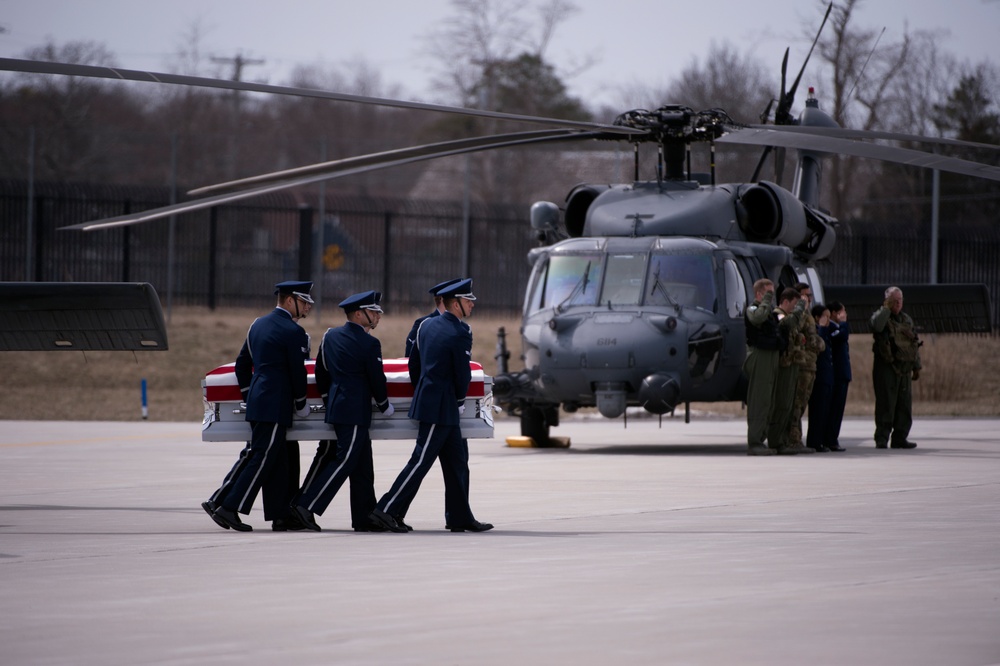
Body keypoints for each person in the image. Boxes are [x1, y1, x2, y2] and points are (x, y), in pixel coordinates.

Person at [369, 278, 493, 533]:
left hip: (432, 402)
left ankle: (460, 516)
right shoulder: (460, 331)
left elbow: (413, 364)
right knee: (420, 461)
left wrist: (425, 390)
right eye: (468, 301)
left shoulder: (425, 326)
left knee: (457, 462)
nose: (471, 305)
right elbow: (462, 374)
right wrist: (459, 400)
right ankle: (385, 509)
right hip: (442, 407)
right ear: (455, 304)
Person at [202, 280, 313, 531]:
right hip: (275, 405)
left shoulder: (257, 325)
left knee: (277, 458)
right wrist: (301, 402)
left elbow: (242, 364)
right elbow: (297, 373)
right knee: (263, 457)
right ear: (289, 301)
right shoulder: (293, 332)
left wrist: (248, 394)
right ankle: (228, 507)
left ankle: (280, 514)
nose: (307, 307)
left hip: (260, 401)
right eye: (304, 302)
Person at [291, 290, 394, 532]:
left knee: (362, 465)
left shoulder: (330, 336)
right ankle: (305, 506)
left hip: (338, 407)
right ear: (359, 314)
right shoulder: (369, 343)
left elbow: (321, 371)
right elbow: (376, 379)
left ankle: (365, 516)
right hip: (356, 411)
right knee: (346, 460)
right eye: (374, 312)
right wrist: (384, 404)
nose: (378, 316)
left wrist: (329, 399)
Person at [870, 286, 922, 449]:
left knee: (904, 405)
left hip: (904, 367)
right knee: (886, 403)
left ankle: (900, 437)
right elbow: (877, 326)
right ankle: (882, 438)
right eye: (894, 300)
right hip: (887, 367)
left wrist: (917, 366)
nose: (898, 303)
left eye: (900, 300)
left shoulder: (906, 320)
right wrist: (886, 308)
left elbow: (914, 343)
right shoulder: (881, 316)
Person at [743, 278, 782, 456]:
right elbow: (757, 318)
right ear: (759, 294)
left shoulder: (770, 312)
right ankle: (755, 441)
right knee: (759, 400)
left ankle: (763, 438)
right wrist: (765, 301)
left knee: (769, 400)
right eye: (768, 293)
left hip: (771, 356)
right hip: (760, 356)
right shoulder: (753, 309)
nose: (771, 297)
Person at [768, 287, 809, 455]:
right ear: (785, 301)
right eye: (793, 304)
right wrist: (800, 308)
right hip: (783, 366)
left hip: (792, 364)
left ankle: (783, 440)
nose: (795, 308)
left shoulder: (791, 315)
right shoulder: (778, 314)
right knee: (782, 404)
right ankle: (776, 440)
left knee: (790, 404)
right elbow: (787, 325)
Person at [785, 282, 823, 454]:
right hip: (800, 365)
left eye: (810, 296)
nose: (809, 298)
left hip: (810, 364)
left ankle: (795, 438)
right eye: (806, 295)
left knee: (801, 404)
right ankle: (793, 440)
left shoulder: (807, 314)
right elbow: (801, 337)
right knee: (796, 404)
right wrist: (816, 342)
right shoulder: (797, 314)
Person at [404, 279, 462, 357]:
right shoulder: (423, 323)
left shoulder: (460, 326)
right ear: (442, 299)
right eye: (455, 298)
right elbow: (410, 357)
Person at [806, 304, 834, 452]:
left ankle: (821, 440)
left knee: (824, 411)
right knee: (817, 411)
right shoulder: (816, 331)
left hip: (827, 376)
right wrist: (822, 328)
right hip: (818, 377)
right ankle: (814, 441)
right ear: (817, 318)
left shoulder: (828, 330)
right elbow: (819, 346)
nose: (828, 321)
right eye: (825, 317)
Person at [825, 301, 850, 452]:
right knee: (834, 409)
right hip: (837, 375)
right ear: (835, 313)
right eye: (842, 311)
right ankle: (831, 439)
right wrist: (844, 323)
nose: (844, 314)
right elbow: (841, 337)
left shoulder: (837, 328)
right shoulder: (833, 327)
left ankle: (832, 438)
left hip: (842, 374)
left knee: (838, 409)